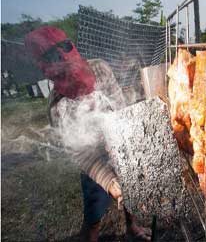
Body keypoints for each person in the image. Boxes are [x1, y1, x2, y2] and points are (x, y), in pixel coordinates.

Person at [24, 26, 151, 242]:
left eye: (65, 46)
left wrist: (125, 139)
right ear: (45, 67)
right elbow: (82, 155)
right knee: (94, 206)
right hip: (94, 157)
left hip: (119, 143)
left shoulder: (100, 68)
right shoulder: (57, 107)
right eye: (52, 54)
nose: (63, 56)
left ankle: (132, 227)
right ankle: (90, 235)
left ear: (72, 45)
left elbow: (118, 103)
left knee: (131, 190)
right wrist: (109, 181)